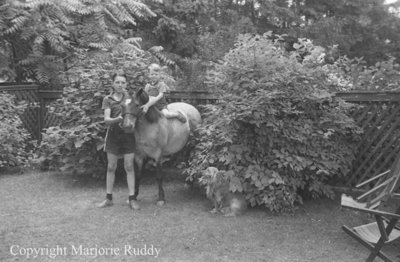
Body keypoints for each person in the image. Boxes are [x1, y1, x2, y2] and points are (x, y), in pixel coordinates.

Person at [97, 71, 140, 210]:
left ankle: (132, 199)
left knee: (129, 167)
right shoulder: (107, 99)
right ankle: (108, 198)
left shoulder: (130, 98)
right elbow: (107, 121)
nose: (120, 85)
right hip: (113, 136)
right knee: (111, 167)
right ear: (113, 83)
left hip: (128, 136)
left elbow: (136, 113)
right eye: (117, 82)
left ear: (126, 84)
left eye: (123, 82)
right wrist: (119, 119)